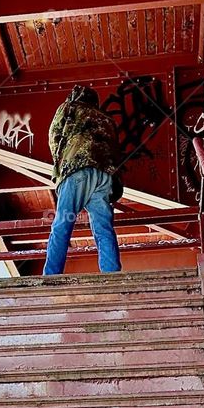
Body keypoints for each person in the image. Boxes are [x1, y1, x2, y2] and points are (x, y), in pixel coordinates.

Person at [42, 84, 122, 276]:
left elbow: (54, 136)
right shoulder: (107, 119)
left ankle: (51, 275)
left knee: (62, 223)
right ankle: (111, 274)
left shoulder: (69, 107)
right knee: (103, 228)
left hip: (76, 168)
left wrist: (60, 166)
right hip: (104, 175)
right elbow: (115, 150)